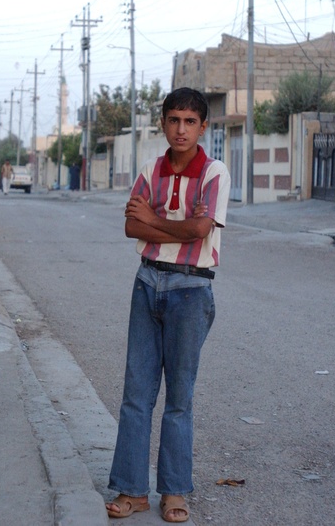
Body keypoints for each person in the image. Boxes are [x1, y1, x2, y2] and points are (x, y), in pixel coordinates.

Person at [105, 88, 230, 523]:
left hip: (190, 289)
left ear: (203, 127)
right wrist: (175, 226)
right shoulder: (149, 168)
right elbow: (128, 226)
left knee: (179, 397)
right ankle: (132, 490)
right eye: (174, 120)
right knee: (136, 393)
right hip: (147, 281)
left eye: (190, 122)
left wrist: (154, 220)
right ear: (163, 123)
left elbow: (199, 229)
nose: (181, 129)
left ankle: (175, 492)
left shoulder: (214, 173)